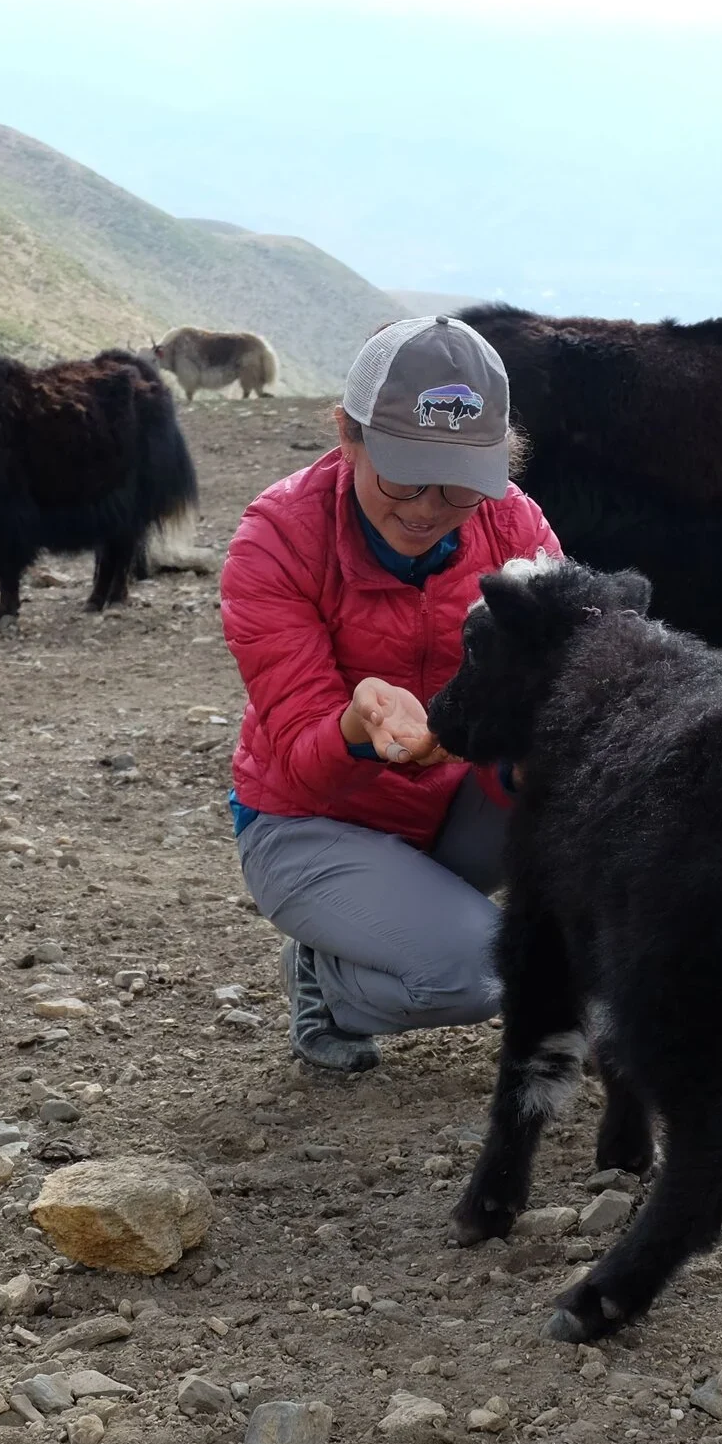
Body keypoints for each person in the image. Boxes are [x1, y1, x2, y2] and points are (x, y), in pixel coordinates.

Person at [220, 315, 560, 1071]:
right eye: (402, 473)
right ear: (349, 434)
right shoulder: (277, 540)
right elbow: (303, 758)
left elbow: (559, 683)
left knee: (581, 795)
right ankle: (326, 981)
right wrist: (353, 721)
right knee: (484, 971)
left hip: (449, 799)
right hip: (306, 822)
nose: (426, 507)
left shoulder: (513, 526)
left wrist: (535, 748)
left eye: (460, 485)